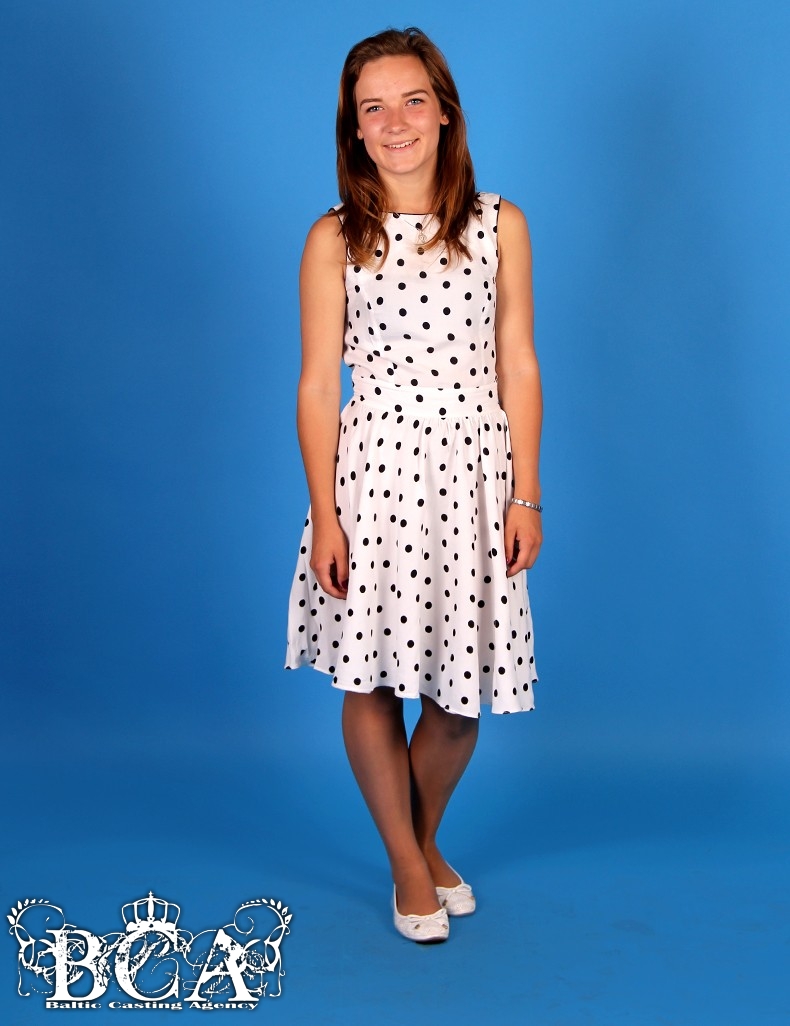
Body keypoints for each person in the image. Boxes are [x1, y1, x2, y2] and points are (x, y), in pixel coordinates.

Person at [285, 26, 543, 943]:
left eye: (412, 101)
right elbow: (319, 386)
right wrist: (325, 515)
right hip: (376, 474)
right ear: (354, 129)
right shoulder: (334, 238)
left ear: (444, 113)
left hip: (473, 474)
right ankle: (408, 866)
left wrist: (525, 494)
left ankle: (422, 840)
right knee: (371, 677)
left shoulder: (500, 224)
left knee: (458, 697)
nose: (395, 123)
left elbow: (518, 363)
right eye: (373, 108)